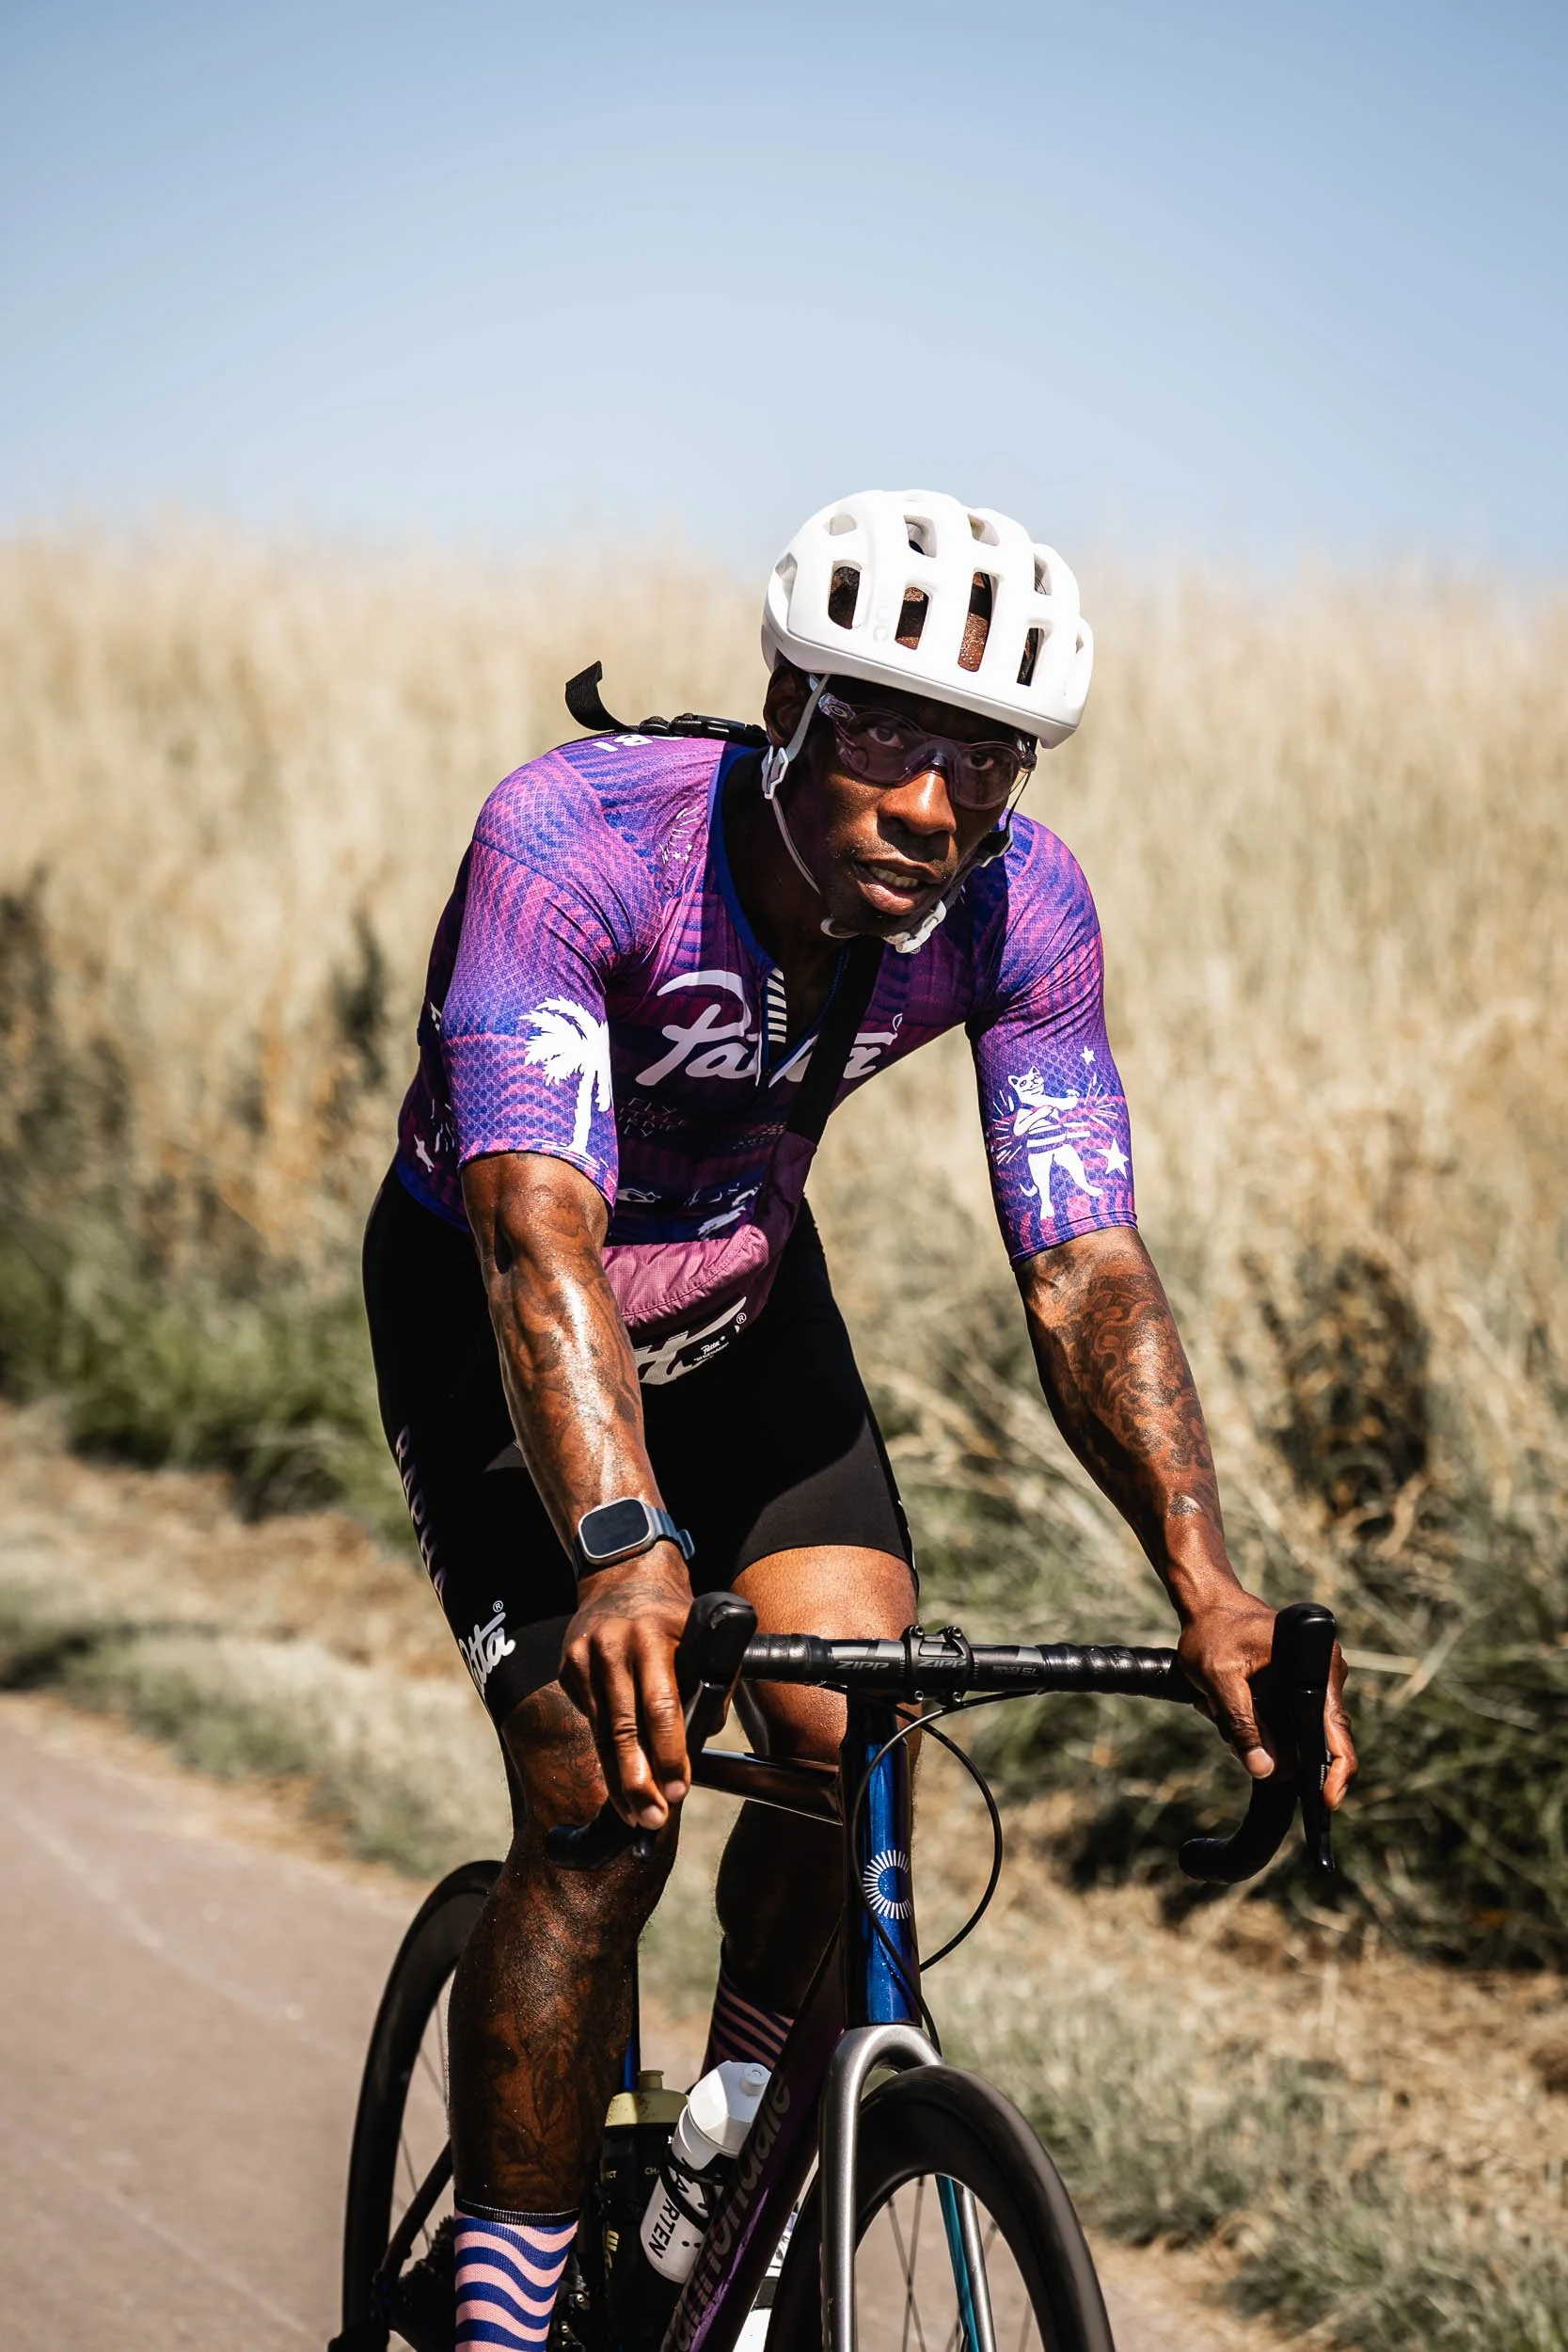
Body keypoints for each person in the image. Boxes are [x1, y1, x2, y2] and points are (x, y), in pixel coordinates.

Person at [362, 488, 1356, 2350]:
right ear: (791, 705)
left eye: (985, 759)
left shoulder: (1015, 902)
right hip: (503, 1312)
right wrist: (620, 1543)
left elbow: (1084, 1271)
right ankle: (503, 2314)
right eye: (890, 736)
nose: (932, 803)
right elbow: (534, 1229)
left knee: (852, 1715)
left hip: (739, 1310)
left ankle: (716, 2152)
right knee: (597, 1795)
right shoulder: (573, 841)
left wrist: (1208, 1579)